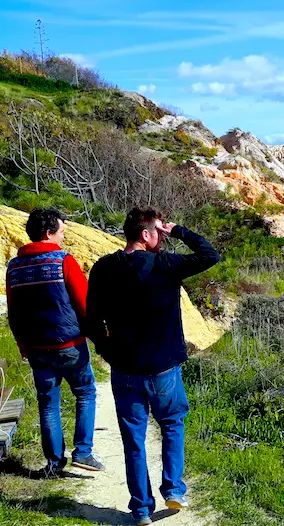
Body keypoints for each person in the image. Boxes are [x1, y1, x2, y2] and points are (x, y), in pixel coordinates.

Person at [86, 207, 219, 526]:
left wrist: (109, 353)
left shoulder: (104, 268)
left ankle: (141, 509)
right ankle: (173, 489)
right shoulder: (165, 265)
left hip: (125, 370)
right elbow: (209, 254)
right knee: (172, 424)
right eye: (158, 231)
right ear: (145, 234)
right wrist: (180, 231)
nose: (163, 237)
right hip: (164, 369)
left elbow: (92, 321)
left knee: (133, 438)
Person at [6, 208, 104, 475]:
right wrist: (99, 336)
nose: (63, 237)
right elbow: (85, 304)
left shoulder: (14, 267)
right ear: (49, 232)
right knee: (85, 392)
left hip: (37, 349)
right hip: (69, 345)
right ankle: (83, 452)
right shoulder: (64, 261)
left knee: (48, 402)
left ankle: (54, 463)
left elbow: (13, 313)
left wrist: (23, 346)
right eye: (61, 231)